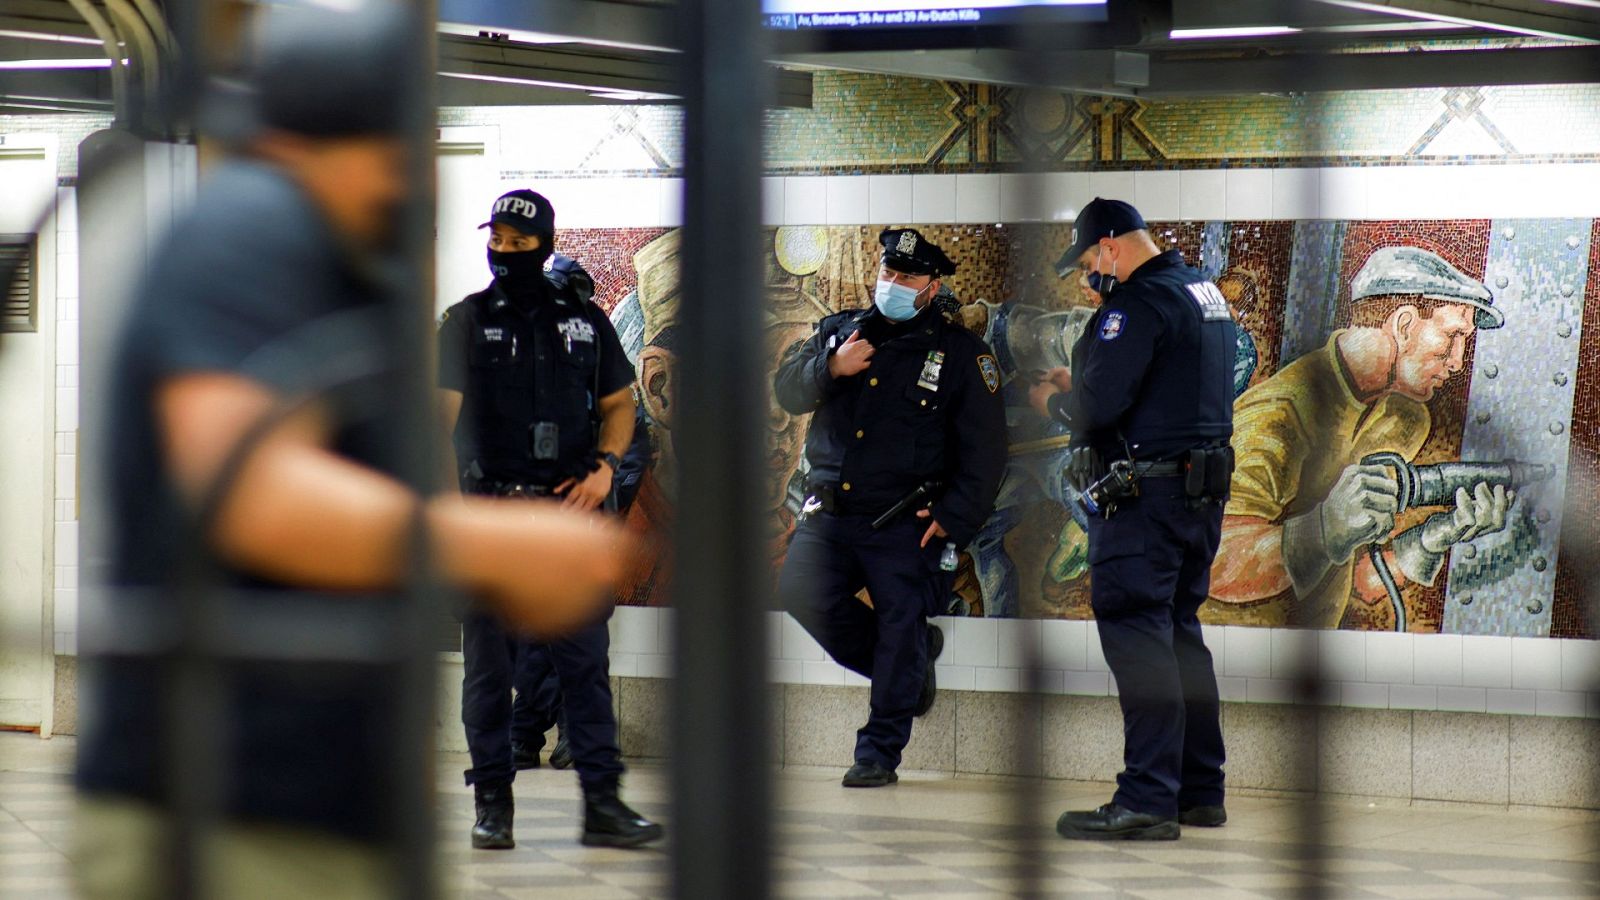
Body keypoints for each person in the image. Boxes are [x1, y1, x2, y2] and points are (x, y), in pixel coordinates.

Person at [73, 5, 629, 898]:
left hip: (301, 803)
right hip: (233, 814)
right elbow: (237, 482)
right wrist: (490, 544)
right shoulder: (250, 232)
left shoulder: (326, 259)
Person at [438, 189, 662, 850]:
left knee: (584, 665)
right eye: (497, 239)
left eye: (517, 240)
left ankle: (602, 803)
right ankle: (493, 804)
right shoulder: (464, 323)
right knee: (489, 670)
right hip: (492, 520)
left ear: (544, 241)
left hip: (568, 518)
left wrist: (603, 468)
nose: (504, 250)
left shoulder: (587, 322)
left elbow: (620, 406)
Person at [1028, 198, 1235, 841]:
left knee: (1138, 635)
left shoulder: (1133, 306)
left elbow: (1100, 406)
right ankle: (1200, 791)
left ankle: (1146, 795)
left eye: (1092, 260)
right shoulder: (1204, 293)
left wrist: (1060, 396)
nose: (1093, 274)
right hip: (1200, 494)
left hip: (1144, 502)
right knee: (1178, 634)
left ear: (1112, 246)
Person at [774, 227, 1006, 788]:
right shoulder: (840, 332)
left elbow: (987, 452)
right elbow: (787, 391)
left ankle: (879, 751)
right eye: (888, 271)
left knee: (901, 624)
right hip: (830, 515)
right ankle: (909, 664)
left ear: (931, 285)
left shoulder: (960, 355)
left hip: (906, 521)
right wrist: (830, 368)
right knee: (800, 592)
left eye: (907, 276)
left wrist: (956, 518)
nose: (893, 284)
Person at [1207, 245, 1511, 627]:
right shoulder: (1279, 413)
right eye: (1452, 336)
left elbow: (1356, 579)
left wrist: (1432, 539)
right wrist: (1323, 531)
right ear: (1403, 325)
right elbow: (1213, 561)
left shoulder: (1403, 419)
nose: (1457, 360)